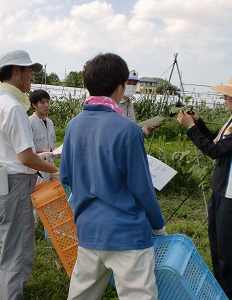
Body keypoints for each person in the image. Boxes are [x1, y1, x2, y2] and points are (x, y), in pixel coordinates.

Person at [60, 53, 166, 300]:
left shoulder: (73, 125)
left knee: (81, 294)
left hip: (88, 229)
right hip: (127, 232)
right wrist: (158, 226)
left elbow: (66, 177)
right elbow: (142, 187)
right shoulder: (127, 129)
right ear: (120, 87)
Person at [177, 72, 232, 300]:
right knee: (218, 250)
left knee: (231, 257)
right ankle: (221, 294)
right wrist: (198, 123)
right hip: (220, 192)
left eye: (228, 95)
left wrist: (190, 128)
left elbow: (215, 151)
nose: (224, 98)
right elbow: (217, 140)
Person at [0, 50, 59, 300]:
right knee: (16, 252)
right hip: (16, 184)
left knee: (4, 249)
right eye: (29, 72)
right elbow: (26, 157)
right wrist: (56, 170)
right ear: (16, 71)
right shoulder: (13, 107)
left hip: (0, 183)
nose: (31, 78)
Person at [29, 89, 57, 228]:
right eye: (42, 102)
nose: (46, 105)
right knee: (35, 197)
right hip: (36, 166)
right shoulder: (30, 122)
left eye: (48, 102)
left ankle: (47, 228)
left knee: (49, 196)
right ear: (34, 105)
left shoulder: (50, 122)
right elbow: (27, 148)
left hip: (49, 164)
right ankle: (31, 229)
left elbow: (52, 144)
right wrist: (44, 151)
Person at [119, 69, 157, 135]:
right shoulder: (114, 104)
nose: (131, 86)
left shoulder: (130, 103)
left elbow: (131, 128)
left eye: (134, 84)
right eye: (128, 83)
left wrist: (143, 131)